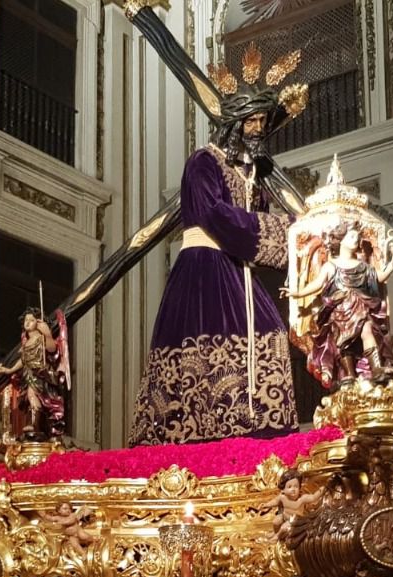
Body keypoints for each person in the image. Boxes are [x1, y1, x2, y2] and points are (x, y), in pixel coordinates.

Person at [128, 43, 308, 447]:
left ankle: (255, 427)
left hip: (237, 268)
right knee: (208, 344)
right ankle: (203, 431)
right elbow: (215, 216)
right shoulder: (203, 162)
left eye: (262, 121)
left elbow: (250, 214)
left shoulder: (250, 174)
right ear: (234, 122)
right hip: (205, 267)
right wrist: (285, 231)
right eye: (251, 121)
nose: (258, 129)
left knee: (271, 330)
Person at [285, 220, 393, 387]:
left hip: (362, 306)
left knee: (367, 329)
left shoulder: (364, 266)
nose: (356, 239)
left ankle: (376, 369)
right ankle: (349, 375)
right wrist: (297, 293)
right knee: (344, 342)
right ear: (340, 240)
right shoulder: (331, 266)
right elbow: (317, 284)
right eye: (351, 236)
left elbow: (379, 277)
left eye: (357, 237)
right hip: (341, 311)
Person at [0, 309, 70, 441]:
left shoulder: (41, 339)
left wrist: (47, 334)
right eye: (26, 320)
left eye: (31, 320)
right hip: (28, 374)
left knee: (32, 395)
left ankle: (34, 423)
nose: (28, 322)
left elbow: (52, 348)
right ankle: (34, 423)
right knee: (28, 399)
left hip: (40, 374)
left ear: (38, 323)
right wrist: (10, 370)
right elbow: (23, 360)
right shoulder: (26, 343)